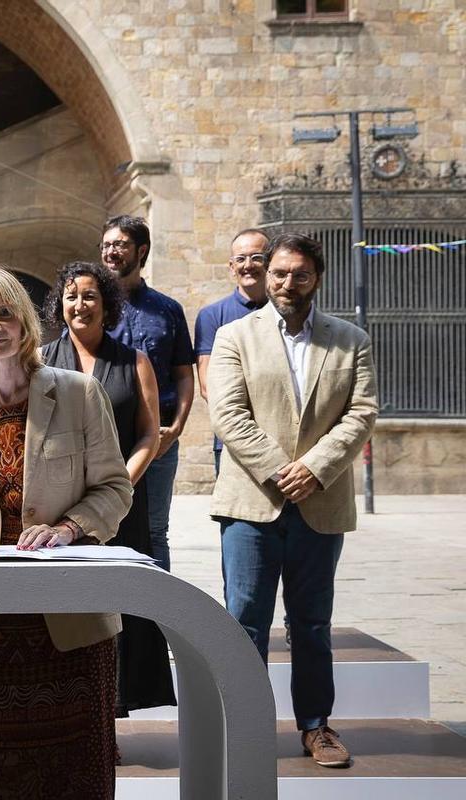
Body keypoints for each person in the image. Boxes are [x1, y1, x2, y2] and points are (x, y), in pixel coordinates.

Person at [0, 266, 132, 799]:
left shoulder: (80, 394)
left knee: (75, 777)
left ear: (25, 324)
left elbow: (115, 490)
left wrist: (67, 529)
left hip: (69, 624)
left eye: (4, 313)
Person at [209, 233, 378, 769]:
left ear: (316, 279)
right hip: (252, 503)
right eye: (279, 273)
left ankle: (316, 727)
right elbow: (229, 415)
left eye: (299, 275)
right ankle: (244, 725)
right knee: (244, 622)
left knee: (311, 623)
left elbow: (362, 411)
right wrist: (281, 471)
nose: (287, 284)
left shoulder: (350, 340)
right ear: (265, 273)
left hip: (320, 503)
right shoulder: (235, 335)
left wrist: (316, 468)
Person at [42, 261, 177, 716]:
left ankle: (114, 709)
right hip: (58, 511)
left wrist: (119, 485)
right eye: (71, 296)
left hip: (121, 507)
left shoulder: (134, 362)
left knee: (120, 611)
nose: (80, 305)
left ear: (107, 304)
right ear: (60, 306)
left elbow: (148, 434)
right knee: (69, 610)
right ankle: (71, 707)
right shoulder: (41, 363)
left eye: (90, 296)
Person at [102, 215, 195, 572]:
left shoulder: (168, 310)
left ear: (141, 251)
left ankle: (158, 622)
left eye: (120, 244)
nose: (112, 251)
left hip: (159, 439)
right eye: (107, 244)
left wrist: (178, 427)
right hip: (105, 437)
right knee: (104, 526)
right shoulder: (92, 307)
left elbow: (184, 375)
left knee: (156, 530)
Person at [194, 228, 270, 476]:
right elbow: (208, 387)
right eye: (241, 259)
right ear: (231, 266)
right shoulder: (212, 316)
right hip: (230, 440)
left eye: (257, 257)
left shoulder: (288, 313)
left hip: (285, 438)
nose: (248, 265)